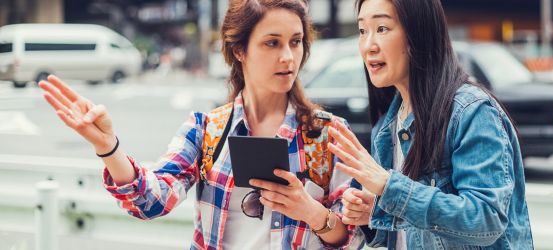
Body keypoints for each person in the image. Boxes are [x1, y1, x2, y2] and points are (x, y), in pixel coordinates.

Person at [38, 0, 363, 249]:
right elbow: (152, 200)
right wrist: (108, 146)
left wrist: (312, 213)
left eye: (295, 42)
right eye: (272, 43)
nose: (289, 57)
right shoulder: (207, 129)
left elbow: (353, 235)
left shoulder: (327, 133)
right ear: (239, 51)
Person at [328, 0, 534, 249]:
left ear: (418, 32)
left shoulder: (471, 112)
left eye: (382, 28)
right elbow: (410, 233)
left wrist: (388, 186)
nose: (368, 45)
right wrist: (372, 213)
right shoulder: (387, 125)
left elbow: (485, 219)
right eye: (362, 31)